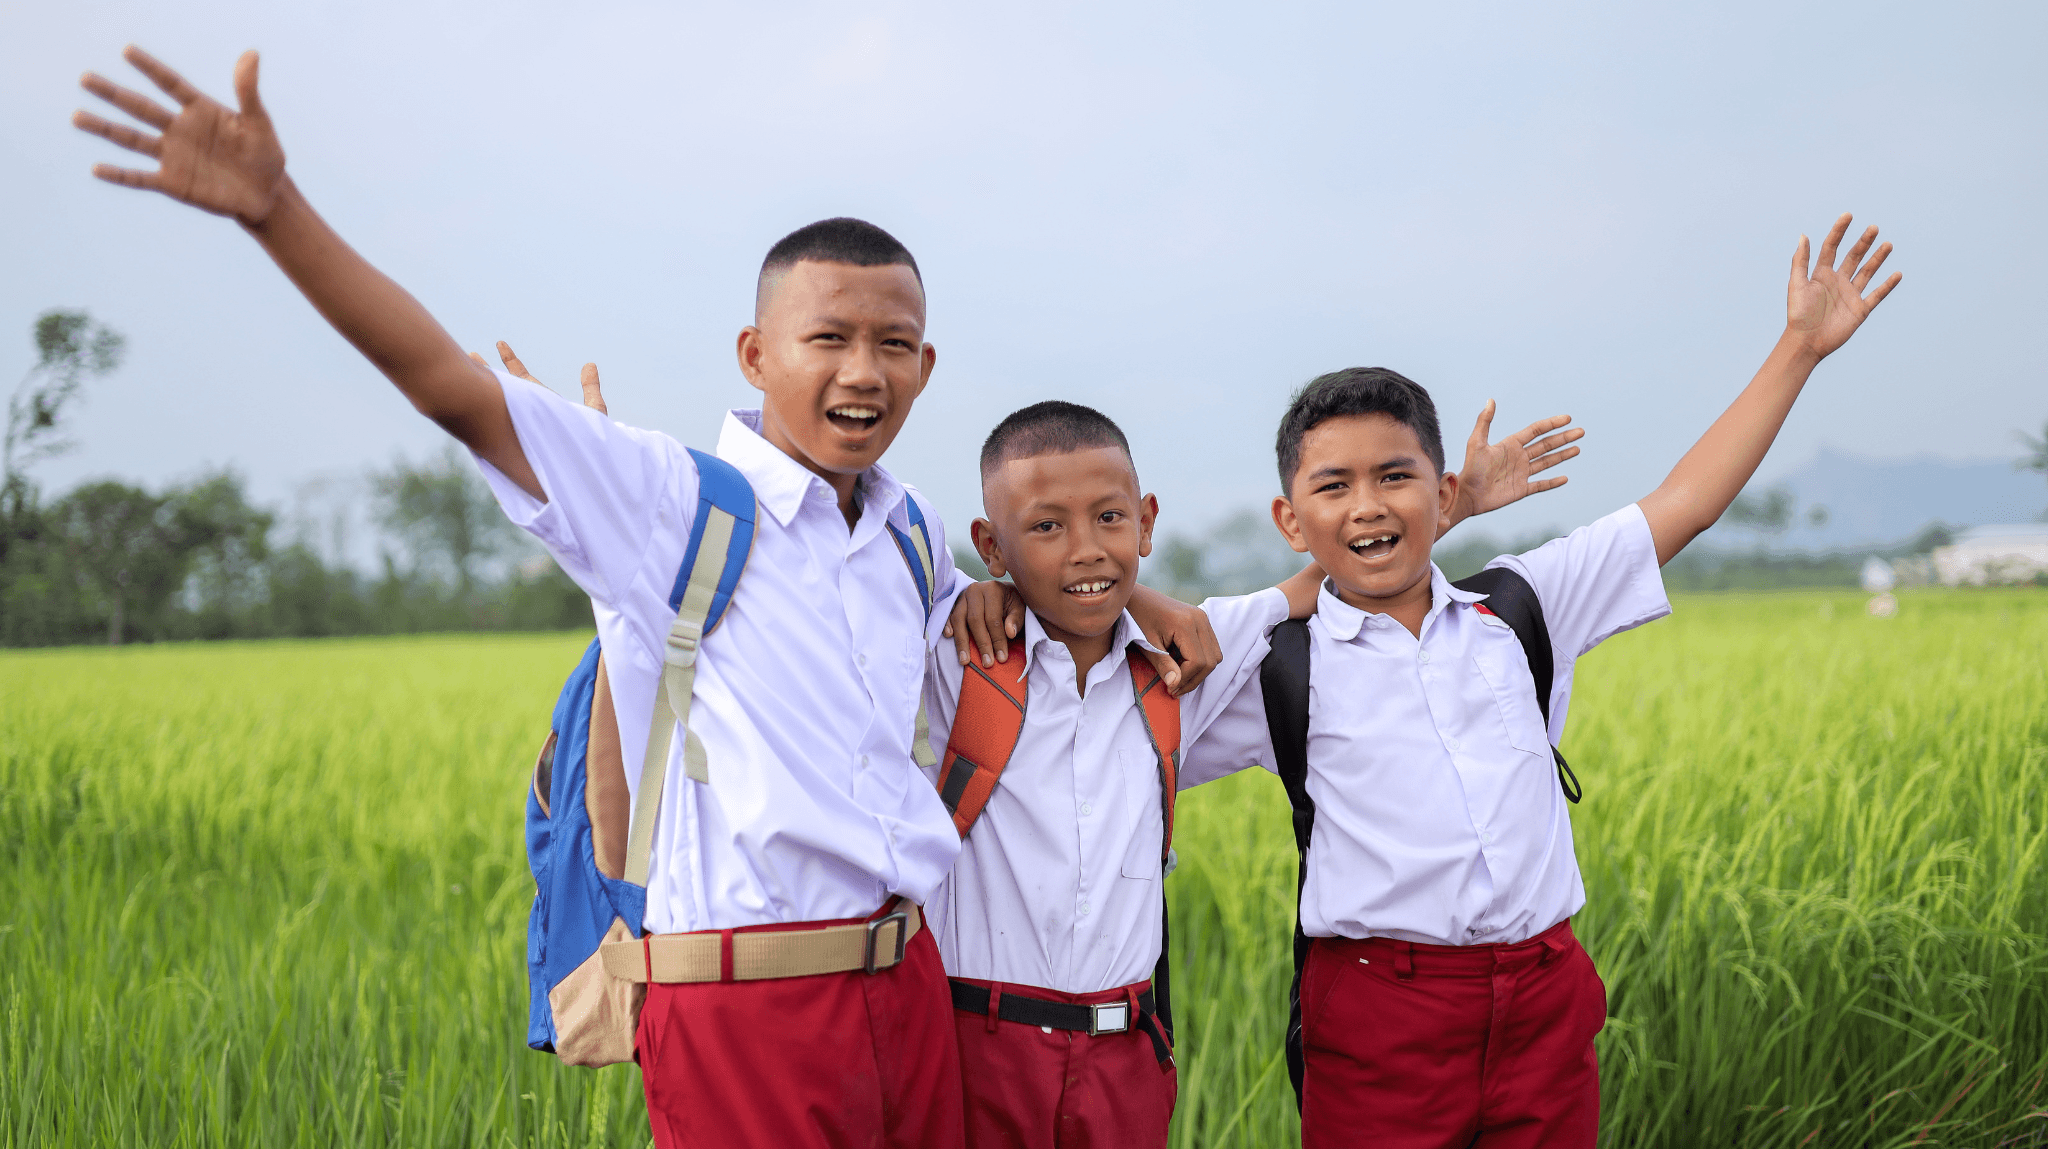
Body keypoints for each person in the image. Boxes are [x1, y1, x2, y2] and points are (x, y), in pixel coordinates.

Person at [68, 46, 1225, 1149]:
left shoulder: (909, 531)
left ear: (924, 368)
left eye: (892, 344)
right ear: (755, 355)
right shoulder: (670, 503)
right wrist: (275, 210)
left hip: (909, 985)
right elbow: (449, 388)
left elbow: (1050, 570)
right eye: (826, 338)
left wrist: (1146, 601)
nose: (860, 370)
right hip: (741, 1004)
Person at [1181, 214, 1901, 1148]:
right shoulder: (1280, 660)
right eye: (1333, 487)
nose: (1366, 505)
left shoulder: (1522, 604)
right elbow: (1126, 672)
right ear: (1290, 519)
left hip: (1544, 998)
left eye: (1396, 476)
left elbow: (1684, 503)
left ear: (1444, 493)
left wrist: (1799, 347)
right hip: (1380, 1014)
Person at [928, 397, 1583, 1147]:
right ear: (992, 545)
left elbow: (1324, 575)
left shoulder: (1185, 654)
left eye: (1109, 519)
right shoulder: (953, 657)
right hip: (974, 1038)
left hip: (1125, 1049)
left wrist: (1451, 503)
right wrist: (986, 588)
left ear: (1145, 522)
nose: (1085, 550)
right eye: (1046, 527)